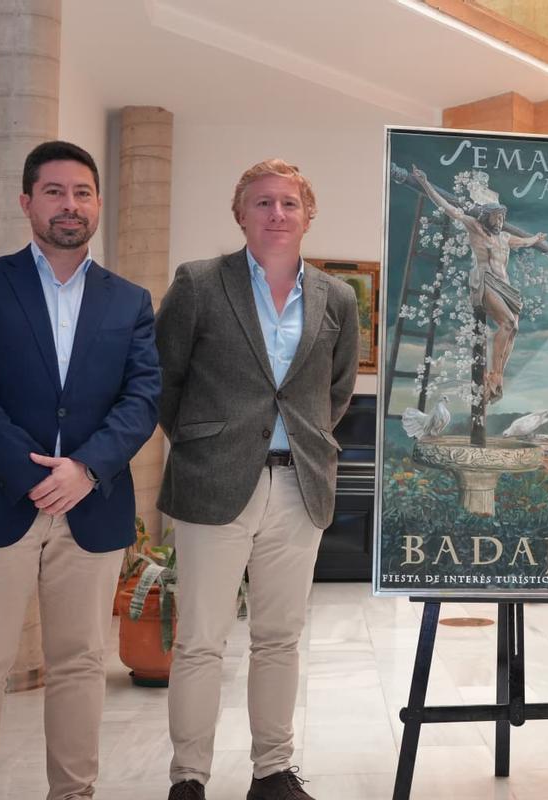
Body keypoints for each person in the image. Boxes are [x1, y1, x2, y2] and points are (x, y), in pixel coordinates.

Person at [0, 140, 161, 800]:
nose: (70, 204)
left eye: (82, 192)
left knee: (80, 665)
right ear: (27, 202)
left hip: (92, 506)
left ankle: (73, 794)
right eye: (54, 191)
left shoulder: (130, 300)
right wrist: (29, 473)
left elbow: (142, 397)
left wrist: (85, 468)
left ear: (98, 205)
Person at [157, 159, 358, 800]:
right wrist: (207, 445)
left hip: (298, 487)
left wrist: (304, 441)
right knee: (199, 641)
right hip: (212, 483)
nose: (277, 213)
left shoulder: (337, 298)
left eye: (289, 203)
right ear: (240, 214)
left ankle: (272, 772)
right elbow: (166, 382)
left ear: (308, 216)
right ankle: (189, 778)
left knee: (279, 639)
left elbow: (336, 392)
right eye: (263, 202)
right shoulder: (197, 284)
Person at [410, 164, 547, 403]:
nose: (500, 220)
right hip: (486, 282)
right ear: (487, 216)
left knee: (514, 328)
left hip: (506, 288)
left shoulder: (505, 238)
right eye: (497, 216)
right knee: (507, 323)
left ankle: (497, 375)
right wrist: (425, 183)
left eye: (502, 217)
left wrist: (536, 238)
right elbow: (448, 208)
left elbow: (526, 242)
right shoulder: (475, 228)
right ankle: (494, 375)